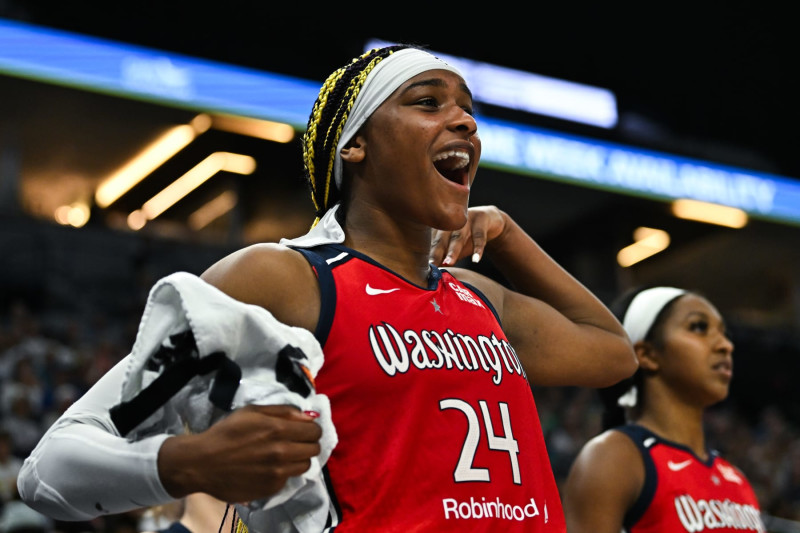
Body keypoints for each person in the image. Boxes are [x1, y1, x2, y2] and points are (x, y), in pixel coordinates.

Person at [17, 44, 637, 532]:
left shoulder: (480, 295)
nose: (465, 121)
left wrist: (506, 236)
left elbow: (614, 353)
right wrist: (185, 464)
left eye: (468, 109)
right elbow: (49, 469)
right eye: (428, 102)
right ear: (355, 144)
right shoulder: (285, 277)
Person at [562, 286, 766, 532]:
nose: (725, 345)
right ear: (647, 354)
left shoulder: (736, 478)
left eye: (724, 333)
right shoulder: (615, 457)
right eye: (699, 327)